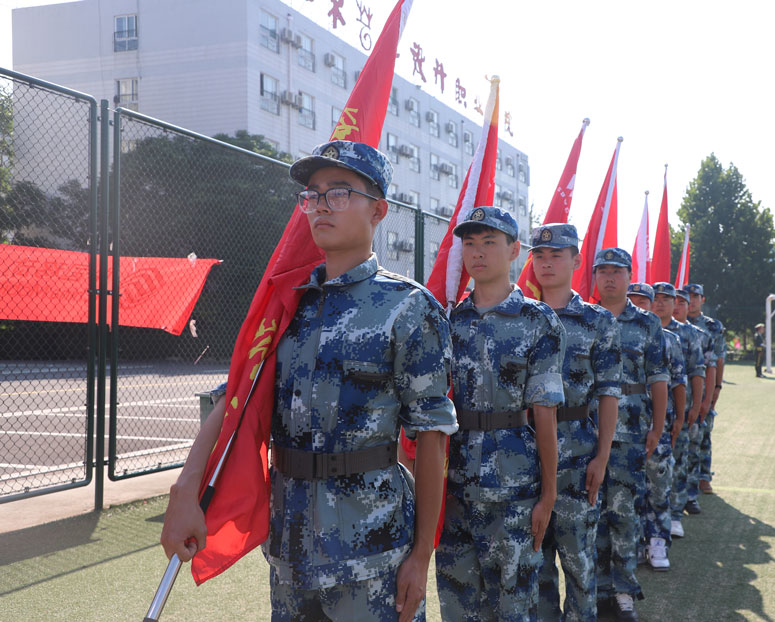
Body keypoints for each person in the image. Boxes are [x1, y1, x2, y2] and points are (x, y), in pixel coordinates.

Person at [159, 140, 457, 622]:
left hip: (373, 554)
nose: (320, 205)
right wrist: (185, 489)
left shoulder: (407, 307)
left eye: (339, 192)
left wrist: (421, 555)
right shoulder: (285, 302)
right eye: (312, 195)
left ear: (378, 209)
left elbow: (431, 437)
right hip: (291, 552)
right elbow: (234, 403)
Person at [436, 206, 566, 622]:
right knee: (458, 602)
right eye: (469, 243)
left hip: (514, 487)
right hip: (454, 485)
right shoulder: (449, 320)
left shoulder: (538, 321)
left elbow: (545, 413)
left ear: (514, 252)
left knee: (514, 605)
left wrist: (548, 495)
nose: (477, 252)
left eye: (489, 242)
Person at [530, 224, 622, 622]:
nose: (546, 263)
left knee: (580, 565)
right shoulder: (521, 315)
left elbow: (609, 394)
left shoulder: (597, 322)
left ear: (576, 261)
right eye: (539, 256)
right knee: (537, 567)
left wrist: (602, 457)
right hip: (526, 456)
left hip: (578, 458)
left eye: (556, 255)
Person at [591, 248, 668, 622]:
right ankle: (597, 589)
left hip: (632, 432)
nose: (609, 277)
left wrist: (658, 426)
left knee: (623, 514)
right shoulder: (584, 318)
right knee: (592, 516)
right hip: (587, 433)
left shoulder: (648, 324)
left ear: (628, 276)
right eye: (602, 271)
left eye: (616, 271)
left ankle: (623, 592)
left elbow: (658, 378)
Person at [642, 282, 687, 571]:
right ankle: (636, 541)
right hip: (626, 425)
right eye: (649, 299)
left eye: (662, 300)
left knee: (658, 483)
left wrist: (680, 416)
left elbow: (679, 382)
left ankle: (658, 538)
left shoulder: (670, 339)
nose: (654, 304)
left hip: (660, 422)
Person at [666, 288, 708, 539]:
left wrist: (697, 405)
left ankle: (675, 511)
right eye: (656, 299)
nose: (663, 304)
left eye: (669, 300)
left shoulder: (690, 334)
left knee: (679, 460)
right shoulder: (649, 329)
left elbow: (697, 371)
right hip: (648, 412)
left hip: (681, 408)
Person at [684, 283, 725, 502]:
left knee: (704, 431)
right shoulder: (675, 322)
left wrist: (716, 388)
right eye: (687, 296)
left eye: (695, 296)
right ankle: (686, 479)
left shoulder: (712, 327)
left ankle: (703, 475)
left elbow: (719, 360)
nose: (691, 300)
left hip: (705, 385)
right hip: (684, 389)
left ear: (703, 300)